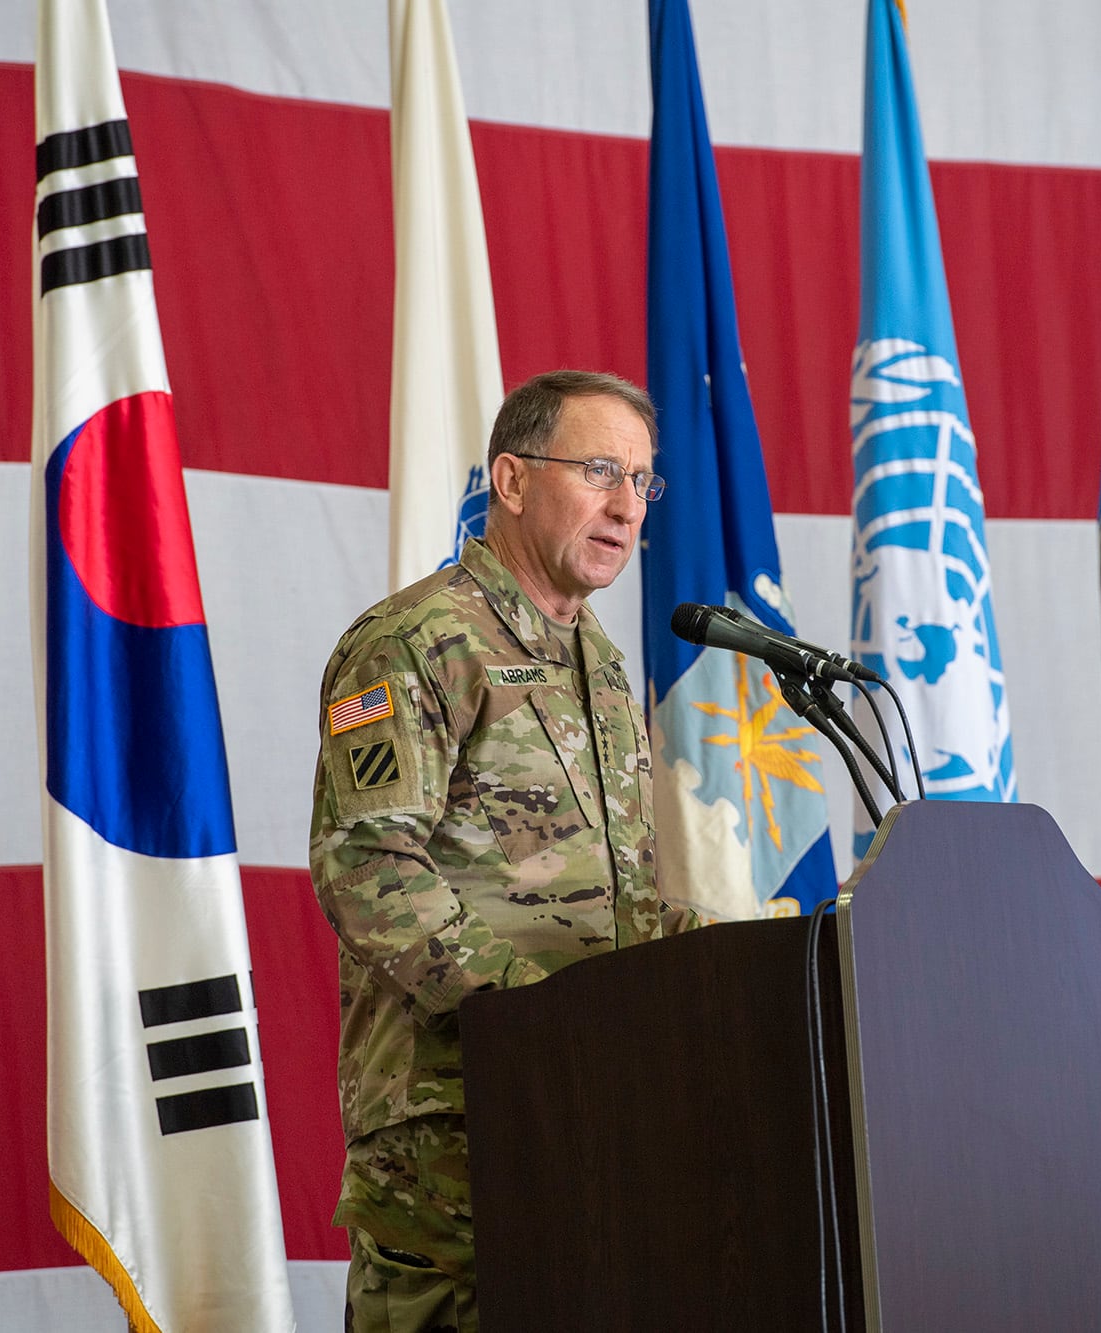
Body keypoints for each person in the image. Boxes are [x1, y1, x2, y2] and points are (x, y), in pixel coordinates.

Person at [309, 369, 699, 1332]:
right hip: (455, 1128)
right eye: (601, 469)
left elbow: (623, 899)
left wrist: (768, 950)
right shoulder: (417, 641)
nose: (625, 505)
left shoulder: (599, 663)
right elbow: (368, 867)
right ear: (513, 481)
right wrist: (538, 1019)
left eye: (643, 481)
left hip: (593, 1111)